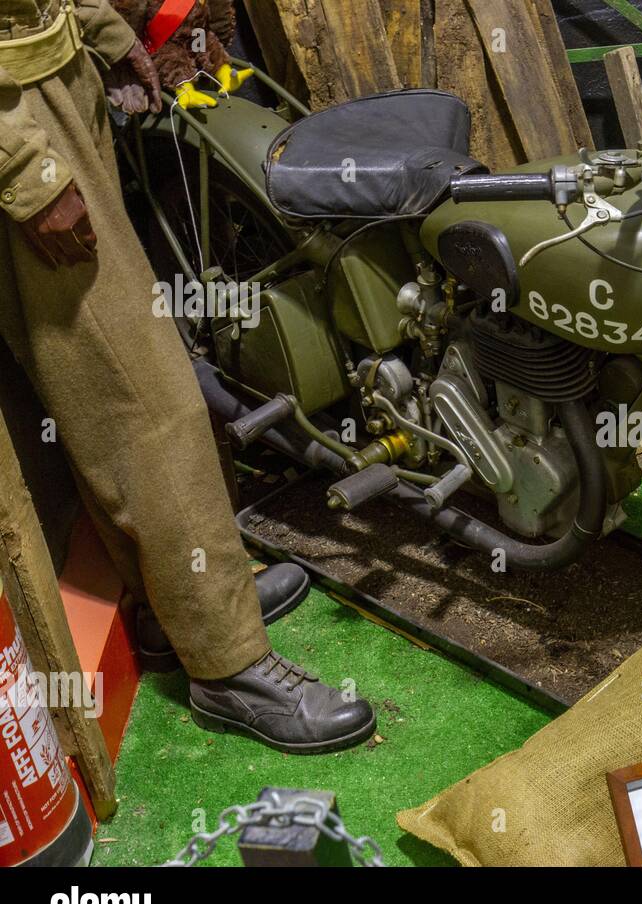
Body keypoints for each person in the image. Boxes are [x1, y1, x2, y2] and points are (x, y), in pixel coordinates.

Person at [0, 0, 375, 754]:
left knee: (94, 393)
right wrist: (23, 166)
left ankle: (172, 610)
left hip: (46, 84)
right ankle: (228, 665)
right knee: (145, 397)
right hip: (16, 112)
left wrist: (104, 36)